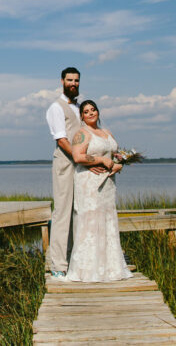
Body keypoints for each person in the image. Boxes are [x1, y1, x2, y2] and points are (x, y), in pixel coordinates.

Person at [62, 99, 133, 282]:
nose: (91, 113)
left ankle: (110, 268)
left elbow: (115, 156)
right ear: (82, 116)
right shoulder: (81, 134)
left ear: (98, 112)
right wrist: (100, 161)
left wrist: (119, 165)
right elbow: (78, 157)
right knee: (91, 221)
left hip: (108, 184)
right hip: (89, 183)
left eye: (93, 109)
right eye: (86, 111)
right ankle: (88, 269)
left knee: (107, 219)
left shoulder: (106, 132)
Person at [44, 67, 106, 277]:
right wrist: (83, 160)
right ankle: (58, 265)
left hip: (81, 166)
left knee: (79, 211)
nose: (73, 83)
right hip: (65, 164)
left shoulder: (80, 106)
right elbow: (62, 140)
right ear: (62, 81)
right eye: (69, 80)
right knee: (62, 212)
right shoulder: (56, 107)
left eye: (76, 80)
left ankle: (74, 259)